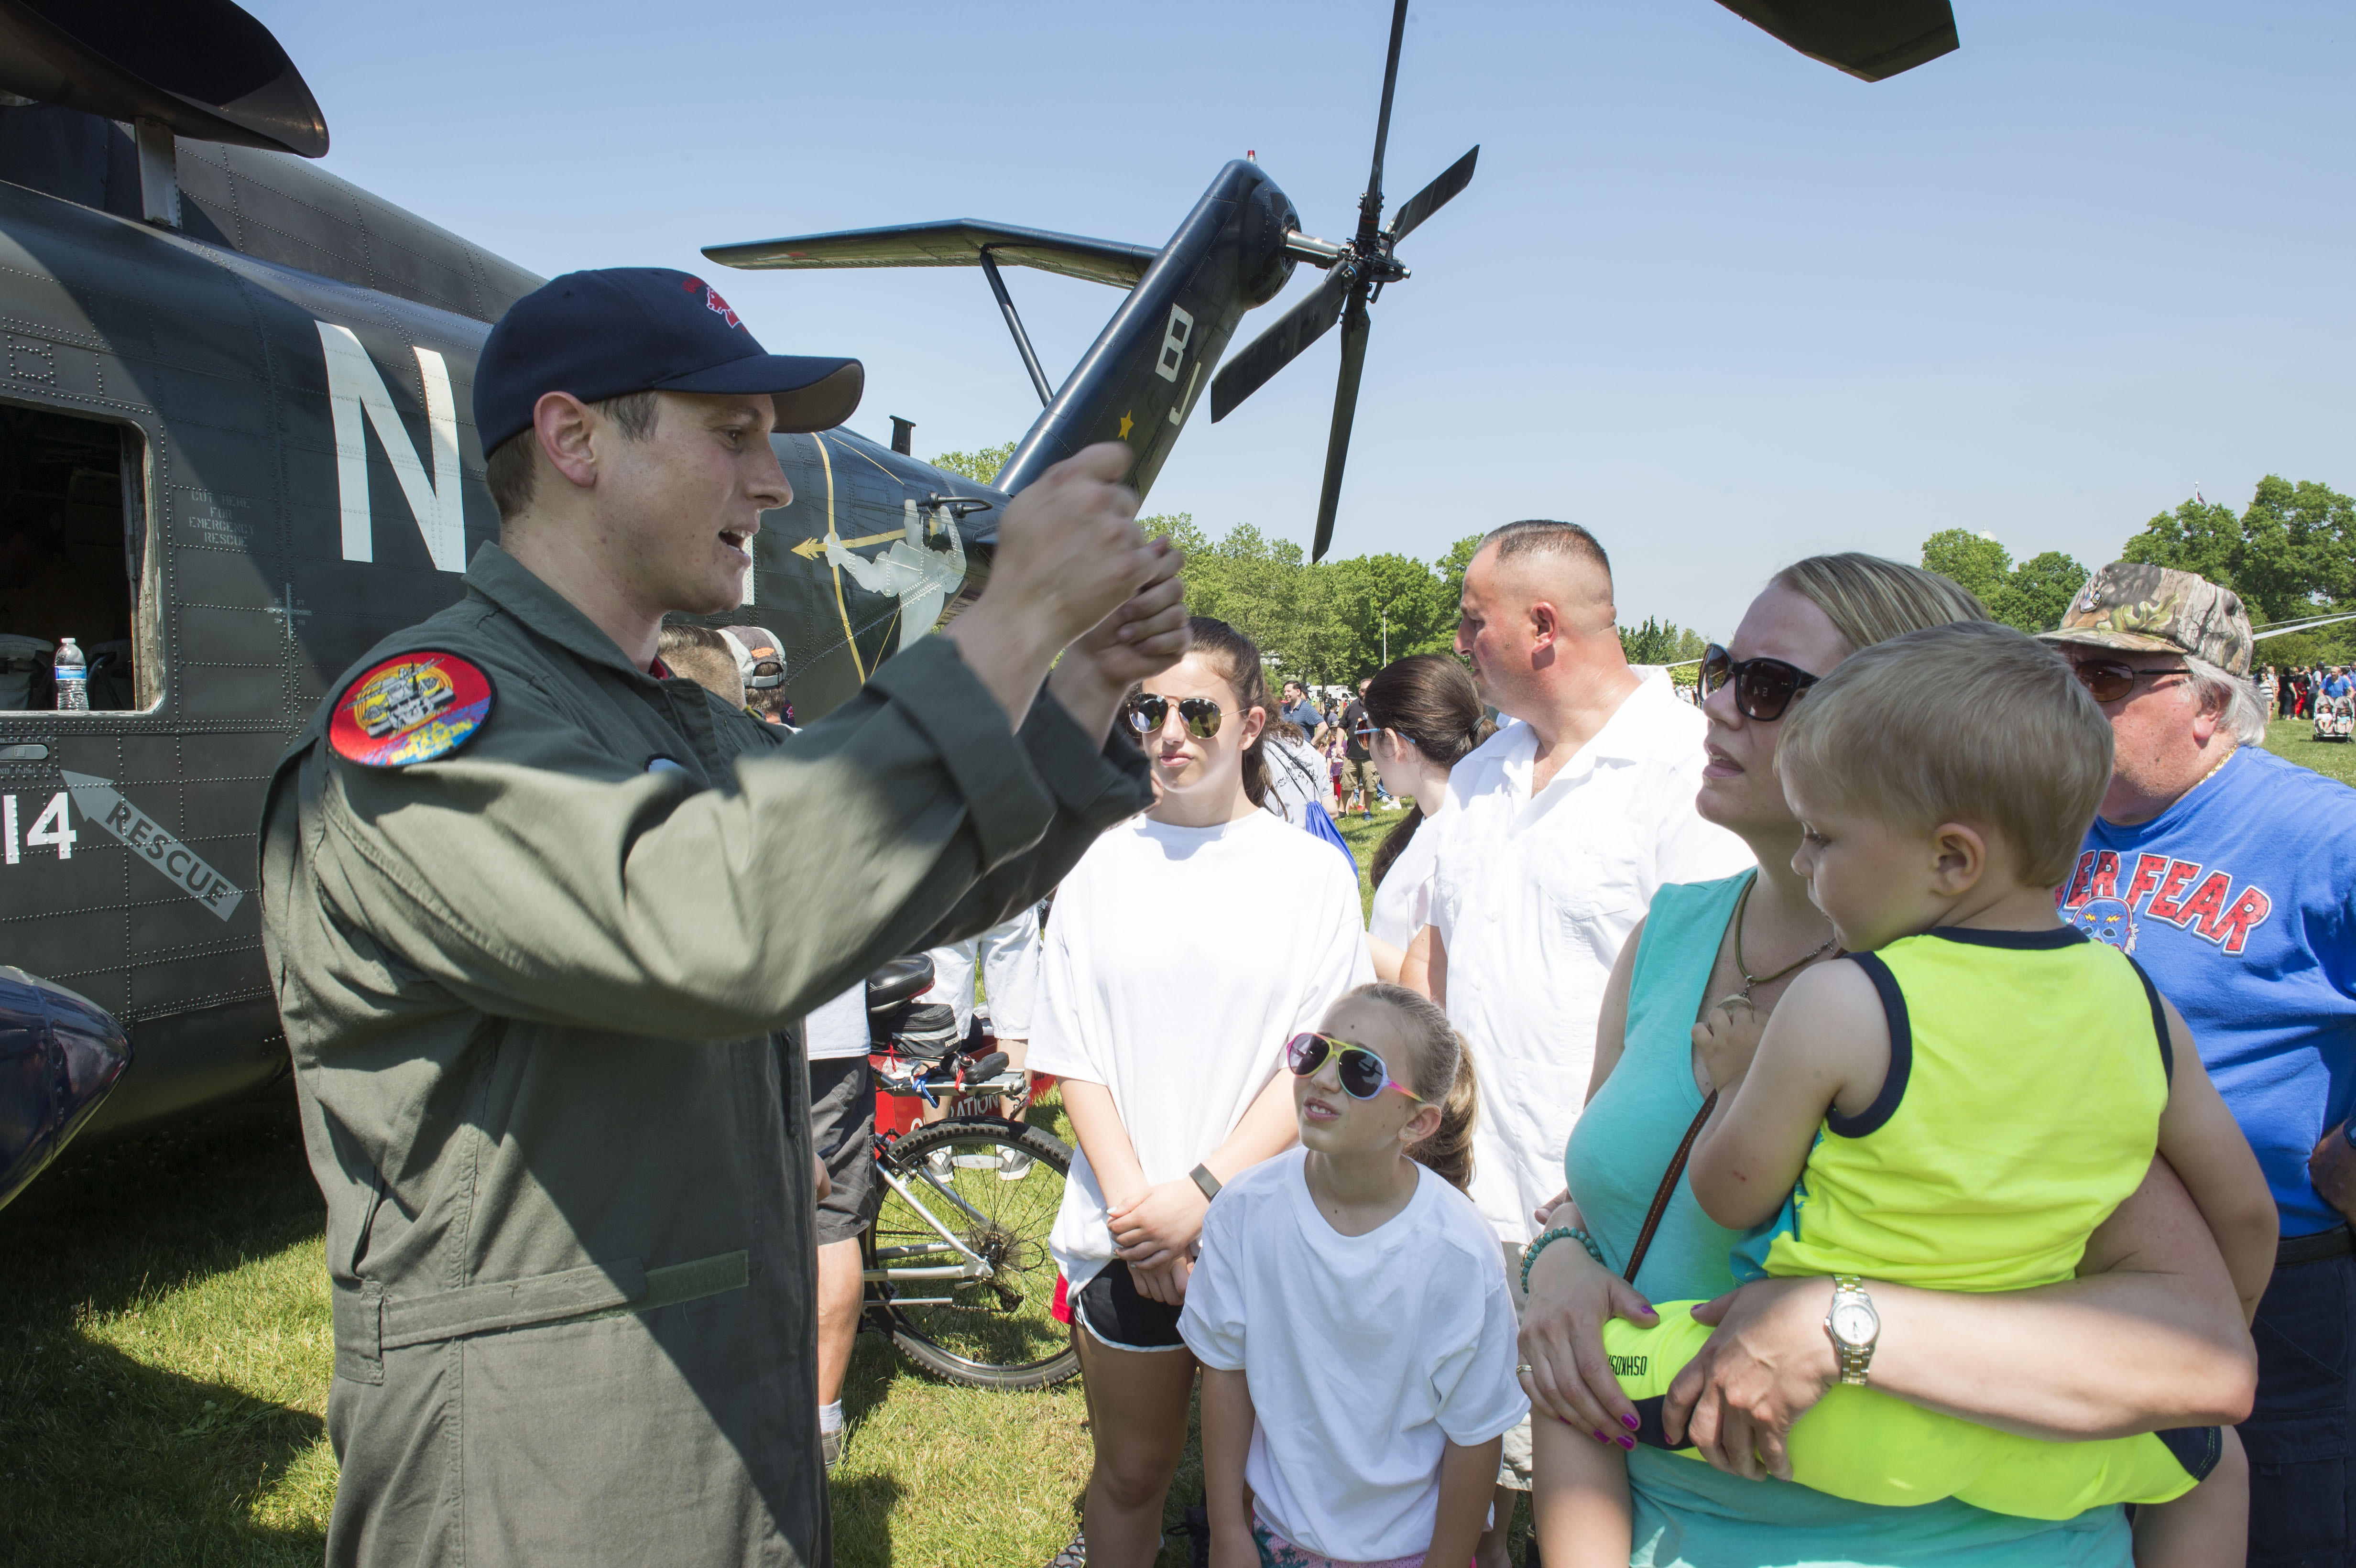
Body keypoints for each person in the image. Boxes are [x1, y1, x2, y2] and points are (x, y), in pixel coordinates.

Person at [257, 265, 1191, 1567]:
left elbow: (893, 889)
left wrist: (1082, 673)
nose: (771, 482)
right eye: (734, 435)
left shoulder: (673, 721)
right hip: (542, 1476)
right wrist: (1013, 613)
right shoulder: (424, 726)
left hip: (709, 1428)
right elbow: (727, 926)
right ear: (574, 439)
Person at [1517, 553, 2261, 1568]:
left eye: (1770, 685)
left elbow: (2199, 1352)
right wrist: (1556, 1261)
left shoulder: (2006, 1011)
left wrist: (1844, 1324)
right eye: (1720, 666)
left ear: (1910, 730)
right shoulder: (1670, 934)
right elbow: (1612, 1200)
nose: (1720, 704)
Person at [1399, 520, 1749, 1558]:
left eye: (1474, 620)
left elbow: (1713, 1011)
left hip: (1614, 1224)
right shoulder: (1479, 775)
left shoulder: (1688, 769)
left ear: (1541, 626)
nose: (1459, 642)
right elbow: (1435, 960)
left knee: (1595, 1495)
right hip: (1469, 1193)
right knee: (1467, 1468)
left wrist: (1600, 1201)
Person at [1026, 617, 1373, 1568]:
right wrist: (1147, 1210)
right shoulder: (1095, 860)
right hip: (1125, 1225)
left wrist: (1204, 1194)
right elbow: (1073, 1050)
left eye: (1197, 709)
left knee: (1271, 1486)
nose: (1170, 729)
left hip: (1261, 1226)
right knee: (1133, 1471)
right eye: (1148, 707)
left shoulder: (1306, 873)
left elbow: (1315, 1055)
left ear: (1253, 721)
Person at [2042, 562, 2356, 1567]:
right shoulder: (2045, 826)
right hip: (2064, 1273)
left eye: (2109, 677)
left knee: (2281, 1534)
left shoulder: (2324, 834)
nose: (2074, 699)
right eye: (2064, 674)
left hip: (2275, 1296)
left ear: (2211, 705)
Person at [1184, 983, 1520, 1568]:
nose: (1321, 1079)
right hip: (1276, 1538)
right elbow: (1226, 1374)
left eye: (1361, 1071)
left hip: (1413, 1552)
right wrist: (1227, 1530)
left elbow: (1475, 1435)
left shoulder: (1460, 1253)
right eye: (1316, 1051)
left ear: (1417, 1122)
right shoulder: (1244, 1209)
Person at [1362, 653, 1491, 985]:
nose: (1367, 749)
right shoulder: (1443, 820)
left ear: (1392, 742)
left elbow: (1436, 982)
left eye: (1366, 734)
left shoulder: (1460, 836)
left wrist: (1335, 929)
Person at [1338, 675, 1379, 817]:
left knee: (1369, 786)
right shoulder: (1352, 708)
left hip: (1371, 755)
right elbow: (1341, 727)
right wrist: (1338, 746)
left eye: (1369, 690)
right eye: (1363, 691)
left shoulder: (1378, 707)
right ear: (1359, 691)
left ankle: (1367, 811)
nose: (1365, 693)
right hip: (1352, 754)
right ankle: (1343, 811)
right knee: (1346, 785)